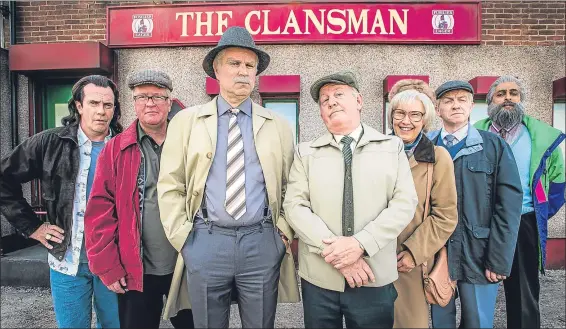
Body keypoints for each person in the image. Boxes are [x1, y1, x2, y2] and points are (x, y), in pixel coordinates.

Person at [156, 26, 300, 329]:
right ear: (216, 70)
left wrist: (282, 234)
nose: (243, 72)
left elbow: (292, 185)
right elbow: (170, 185)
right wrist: (185, 240)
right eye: (234, 64)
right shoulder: (185, 122)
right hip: (206, 240)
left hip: (262, 241)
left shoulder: (278, 125)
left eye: (250, 66)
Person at [283, 71, 418, 328]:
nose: (331, 102)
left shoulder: (391, 147)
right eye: (324, 100)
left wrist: (360, 245)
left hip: (372, 275)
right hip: (321, 280)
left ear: (358, 101)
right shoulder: (305, 153)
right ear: (321, 113)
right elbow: (295, 207)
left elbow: (404, 203)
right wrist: (338, 256)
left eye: (338, 95)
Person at [0, 75, 122, 328]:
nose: (101, 111)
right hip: (68, 262)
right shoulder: (50, 143)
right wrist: (32, 226)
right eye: (94, 103)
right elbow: (3, 179)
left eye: (107, 105)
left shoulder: (124, 146)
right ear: (78, 105)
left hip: (114, 262)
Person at [84, 70, 194, 329]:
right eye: (142, 96)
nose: (150, 103)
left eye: (157, 96)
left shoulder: (190, 143)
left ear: (169, 102)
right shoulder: (116, 148)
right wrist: (108, 267)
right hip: (135, 268)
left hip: (186, 264)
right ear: (133, 103)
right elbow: (100, 211)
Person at [428, 80, 523, 328]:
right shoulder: (425, 146)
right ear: (437, 109)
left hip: (478, 253)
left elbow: (508, 207)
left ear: (472, 106)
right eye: (448, 101)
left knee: (478, 322)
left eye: (462, 100)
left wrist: (499, 259)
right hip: (435, 252)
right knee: (441, 321)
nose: (455, 106)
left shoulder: (494, 146)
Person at [475, 75, 566, 329]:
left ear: (521, 99)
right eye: (501, 93)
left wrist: (538, 214)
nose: (508, 98)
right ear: (490, 100)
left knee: (524, 294)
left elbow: (559, 184)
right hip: (480, 223)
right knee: (477, 290)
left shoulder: (541, 137)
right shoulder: (475, 134)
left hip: (523, 223)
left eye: (513, 93)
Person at [386, 81, 458, 328]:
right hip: (373, 257)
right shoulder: (375, 151)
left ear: (425, 119)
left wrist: (414, 252)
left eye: (415, 114)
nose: (406, 121)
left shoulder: (438, 157)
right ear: (391, 116)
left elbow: (445, 215)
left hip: (410, 263)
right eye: (400, 113)